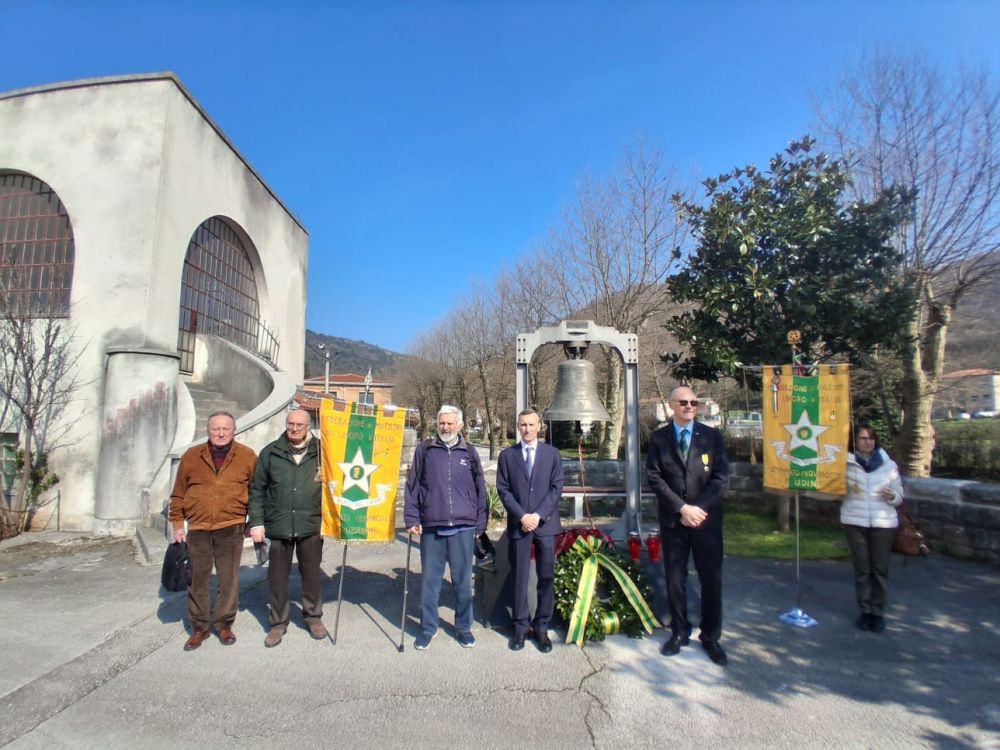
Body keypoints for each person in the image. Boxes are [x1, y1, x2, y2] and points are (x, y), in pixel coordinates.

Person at [646, 386, 730, 665]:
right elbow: (655, 477)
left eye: (694, 402)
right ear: (672, 405)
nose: (690, 406)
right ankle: (679, 632)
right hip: (675, 521)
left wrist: (697, 509)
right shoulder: (659, 439)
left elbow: (721, 478)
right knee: (675, 580)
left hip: (706, 522)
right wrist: (682, 508)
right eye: (684, 402)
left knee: (711, 580)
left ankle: (711, 637)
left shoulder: (712, 437)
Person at [169, 411, 257, 651]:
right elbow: (178, 493)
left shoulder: (247, 456)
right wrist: (177, 524)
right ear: (208, 431)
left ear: (234, 430)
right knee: (198, 580)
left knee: (228, 580)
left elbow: (257, 491)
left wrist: (254, 521)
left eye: (225, 429)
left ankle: (224, 624)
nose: (220, 433)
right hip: (198, 527)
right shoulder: (192, 456)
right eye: (216, 429)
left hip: (231, 526)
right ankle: (199, 628)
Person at [404, 405, 488, 651]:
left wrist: (480, 521)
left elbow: (480, 488)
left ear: (460, 425)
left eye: (450, 423)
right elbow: (413, 486)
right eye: (442, 423)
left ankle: (463, 628)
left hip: (463, 527)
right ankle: (427, 628)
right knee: (430, 583)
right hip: (432, 526)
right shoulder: (425, 450)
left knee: (462, 582)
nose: (446, 427)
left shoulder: (469, 451)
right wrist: (412, 518)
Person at [248, 409, 327, 648]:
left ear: (308, 426)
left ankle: (313, 617)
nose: (294, 428)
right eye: (291, 424)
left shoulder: (322, 452)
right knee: (277, 578)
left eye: (299, 425)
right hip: (278, 524)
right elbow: (257, 490)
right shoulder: (271, 452)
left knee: (311, 575)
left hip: (310, 523)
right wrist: (257, 523)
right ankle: (278, 623)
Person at [496, 408, 565, 653]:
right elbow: (503, 489)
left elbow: (557, 487)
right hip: (520, 525)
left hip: (545, 525)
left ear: (539, 426)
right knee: (520, 577)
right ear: (518, 426)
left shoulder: (552, 454)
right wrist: (522, 516)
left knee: (546, 577)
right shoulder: (507, 456)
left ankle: (542, 627)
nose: (527, 429)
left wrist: (537, 515)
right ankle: (520, 627)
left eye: (531, 424)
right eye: (523, 424)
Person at [841, 423, 903, 633]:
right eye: (862, 438)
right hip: (855, 521)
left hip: (882, 523)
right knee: (862, 569)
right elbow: (834, 490)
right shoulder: (846, 464)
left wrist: (892, 496)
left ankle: (878, 612)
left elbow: (899, 496)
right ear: (855, 441)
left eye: (871, 438)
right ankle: (865, 610)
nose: (867, 442)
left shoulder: (888, 465)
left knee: (879, 569)